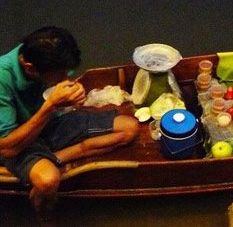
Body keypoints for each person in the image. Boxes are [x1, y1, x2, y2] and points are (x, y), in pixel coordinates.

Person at [0, 27, 139, 214]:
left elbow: (60, 87)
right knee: (48, 180)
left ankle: (55, 158)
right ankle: (44, 214)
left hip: (47, 122)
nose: (67, 78)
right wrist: (50, 106)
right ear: (30, 68)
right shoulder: (3, 78)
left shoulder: (38, 54)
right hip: (18, 140)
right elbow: (8, 148)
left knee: (129, 127)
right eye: (61, 74)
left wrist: (74, 93)